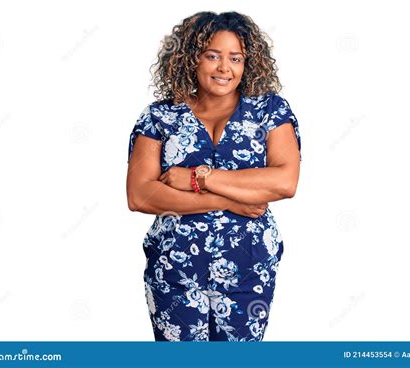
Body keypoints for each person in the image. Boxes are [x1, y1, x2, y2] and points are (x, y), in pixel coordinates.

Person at [126, 11, 302, 341]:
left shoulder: (270, 111)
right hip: (174, 271)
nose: (225, 68)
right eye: (212, 56)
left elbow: (284, 181)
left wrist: (198, 179)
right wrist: (231, 199)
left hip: (248, 268)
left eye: (235, 58)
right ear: (191, 58)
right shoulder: (160, 117)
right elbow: (139, 195)